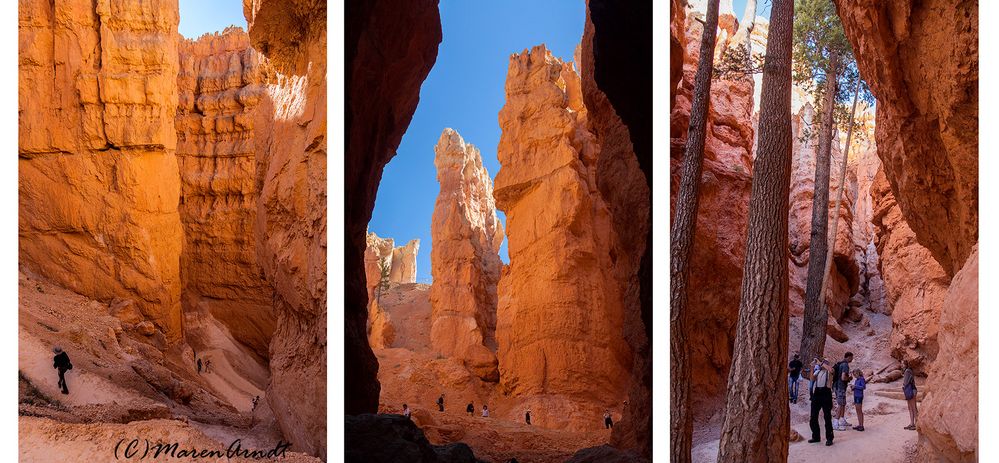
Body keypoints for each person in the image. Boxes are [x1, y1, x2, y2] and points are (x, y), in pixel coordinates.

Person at [808, 357, 835, 446]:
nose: (823, 363)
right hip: (817, 393)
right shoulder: (818, 371)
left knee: (827, 417)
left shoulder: (830, 371)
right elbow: (812, 378)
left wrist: (820, 363)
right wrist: (812, 367)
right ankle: (816, 436)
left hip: (826, 393)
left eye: (825, 362)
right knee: (813, 416)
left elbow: (831, 370)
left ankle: (829, 438)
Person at [833, 352, 854, 430]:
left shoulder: (840, 364)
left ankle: (842, 420)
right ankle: (835, 422)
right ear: (848, 357)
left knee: (843, 403)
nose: (852, 359)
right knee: (840, 404)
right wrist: (849, 378)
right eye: (852, 357)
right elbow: (843, 378)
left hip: (837, 386)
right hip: (840, 387)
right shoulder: (845, 365)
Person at [902, 360, 918, 430]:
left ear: (905, 364)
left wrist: (903, 386)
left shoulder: (907, 371)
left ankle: (917, 424)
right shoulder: (908, 370)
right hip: (910, 390)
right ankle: (912, 423)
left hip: (911, 390)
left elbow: (905, 383)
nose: (901, 365)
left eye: (902, 364)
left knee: (913, 408)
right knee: (910, 408)